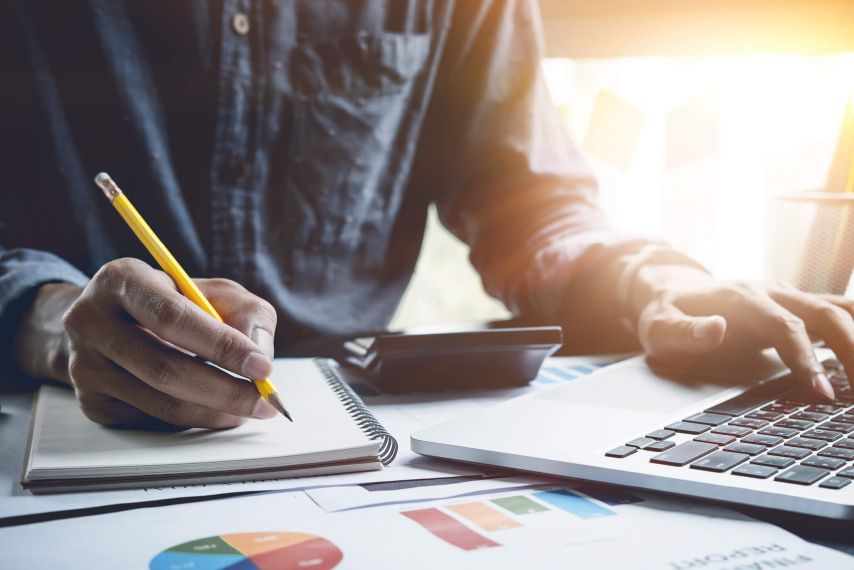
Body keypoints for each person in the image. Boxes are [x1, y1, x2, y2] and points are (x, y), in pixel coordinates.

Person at [1, 0, 850, 430]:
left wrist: (652, 282)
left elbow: (529, 202)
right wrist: (46, 320)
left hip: (353, 431)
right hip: (50, 416)